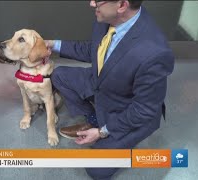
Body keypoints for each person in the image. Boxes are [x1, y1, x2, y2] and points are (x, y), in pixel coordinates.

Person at [46, 0, 174, 179]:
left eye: (98, 0)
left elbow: (143, 110)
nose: (92, 3)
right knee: (59, 75)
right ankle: (94, 119)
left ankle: (112, 133)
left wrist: (103, 132)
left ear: (122, 5)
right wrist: (53, 45)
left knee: (96, 169)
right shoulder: (107, 17)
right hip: (106, 81)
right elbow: (94, 50)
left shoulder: (155, 52)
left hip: (129, 109)